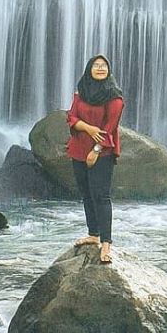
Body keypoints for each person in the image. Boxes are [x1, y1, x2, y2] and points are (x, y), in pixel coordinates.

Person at [66, 54, 124, 264]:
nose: (100, 68)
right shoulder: (81, 93)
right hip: (78, 149)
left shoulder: (114, 97)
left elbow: (110, 128)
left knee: (101, 196)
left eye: (104, 66)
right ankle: (93, 234)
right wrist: (88, 128)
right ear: (89, 69)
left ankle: (106, 244)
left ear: (109, 70)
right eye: (96, 65)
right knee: (86, 194)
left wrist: (96, 150)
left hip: (102, 153)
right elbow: (71, 117)